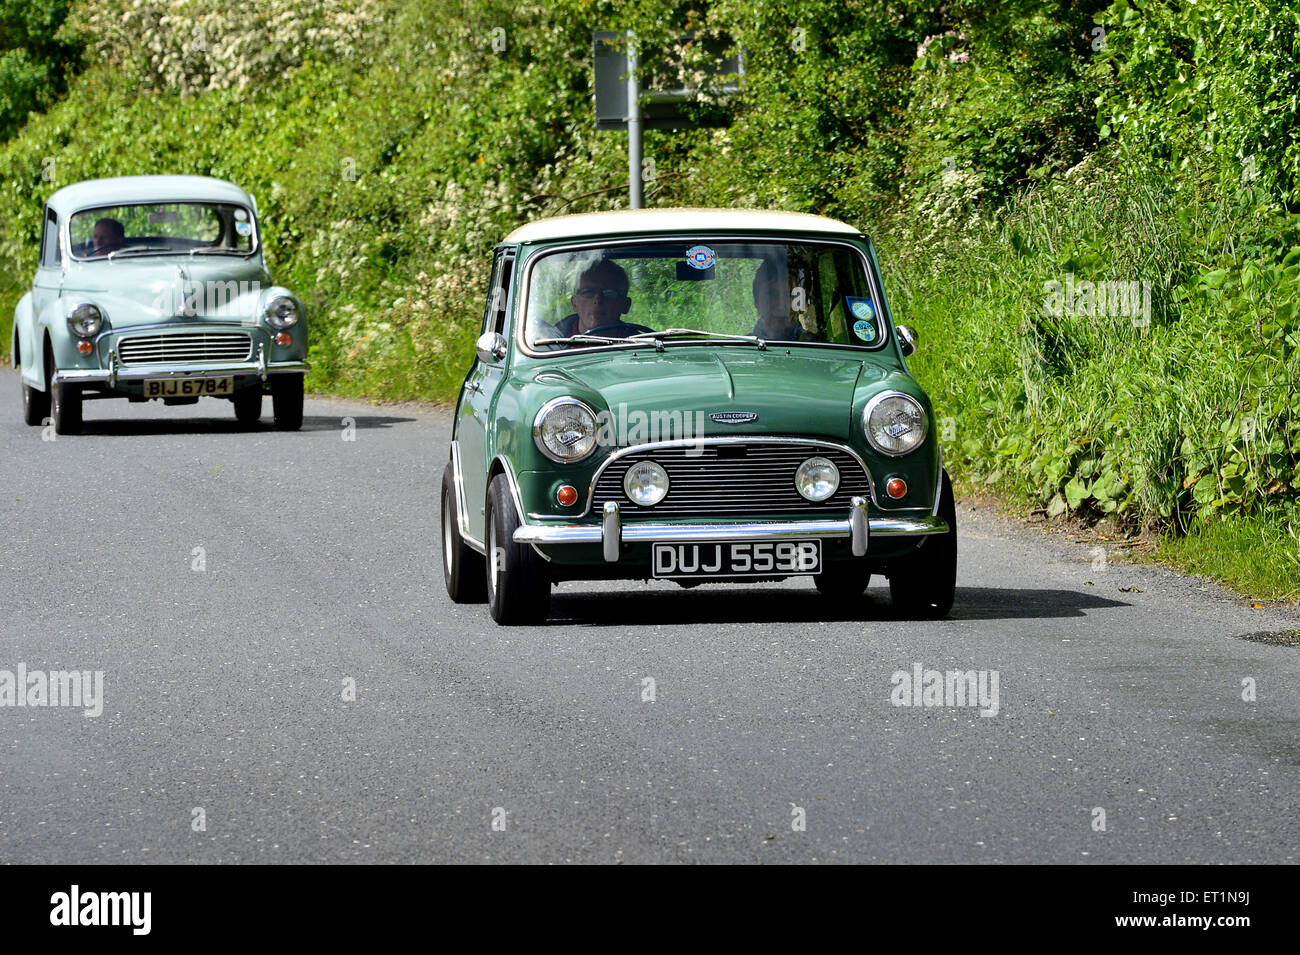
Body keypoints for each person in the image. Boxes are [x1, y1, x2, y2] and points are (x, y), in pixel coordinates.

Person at [554, 259, 638, 337]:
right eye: (588, 292)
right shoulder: (551, 345)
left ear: (625, 305)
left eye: (609, 293)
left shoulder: (642, 346)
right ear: (575, 303)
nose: (598, 300)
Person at [750, 258, 809, 340]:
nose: (781, 306)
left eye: (789, 295)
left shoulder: (818, 345)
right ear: (756, 301)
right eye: (772, 294)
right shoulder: (742, 347)